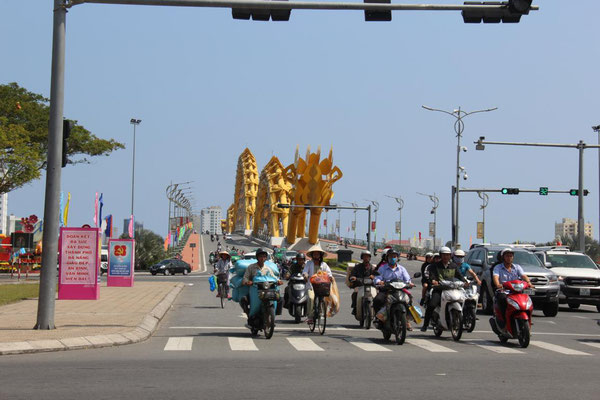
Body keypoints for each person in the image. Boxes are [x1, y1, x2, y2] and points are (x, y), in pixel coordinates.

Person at [421, 246, 466, 332]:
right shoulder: (435, 266)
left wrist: (465, 282)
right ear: (441, 255)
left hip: (452, 289)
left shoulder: (454, 266)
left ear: (450, 256)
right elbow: (431, 275)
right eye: (444, 255)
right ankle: (425, 324)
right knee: (432, 305)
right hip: (439, 289)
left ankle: (462, 322)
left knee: (464, 301)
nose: (446, 257)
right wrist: (433, 281)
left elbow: (459, 276)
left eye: (447, 255)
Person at [373, 248, 414, 329]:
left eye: (394, 256)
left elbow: (407, 279)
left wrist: (410, 283)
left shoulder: (402, 269)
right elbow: (377, 277)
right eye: (391, 256)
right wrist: (379, 281)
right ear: (387, 258)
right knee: (377, 300)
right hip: (386, 290)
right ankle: (379, 319)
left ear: (397, 258)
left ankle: (407, 319)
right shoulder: (382, 268)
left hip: (400, 290)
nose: (392, 258)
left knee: (409, 299)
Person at [492, 248, 533, 328]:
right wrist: (498, 284)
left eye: (511, 256)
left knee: (527, 299)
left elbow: (523, 276)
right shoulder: (498, 267)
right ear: (503, 257)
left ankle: (528, 320)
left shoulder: (517, 267)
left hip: (516, 292)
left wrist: (529, 283)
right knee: (502, 299)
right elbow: (495, 277)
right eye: (507, 256)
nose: (509, 258)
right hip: (504, 291)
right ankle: (503, 321)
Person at [241, 248, 282, 325]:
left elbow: (274, 277)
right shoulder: (251, 267)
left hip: (267, 291)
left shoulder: (268, 268)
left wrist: (278, 281)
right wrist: (247, 282)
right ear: (257, 257)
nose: (262, 258)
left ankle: (273, 315)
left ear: (266, 258)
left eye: (264, 256)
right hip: (255, 290)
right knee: (244, 300)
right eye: (260, 256)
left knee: (280, 299)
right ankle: (249, 315)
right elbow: (245, 278)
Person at [303, 243, 333, 323]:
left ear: (320, 255)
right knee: (311, 298)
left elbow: (329, 273)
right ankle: (310, 316)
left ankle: (321, 310)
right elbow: (305, 271)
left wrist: (330, 277)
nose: (316, 256)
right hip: (311, 286)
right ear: (312, 255)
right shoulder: (309, 263)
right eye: (315, 254)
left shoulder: (324, 265)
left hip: (321, 286)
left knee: (325, 298)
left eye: (318, 254)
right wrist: (305, 275)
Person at [349, 250, 378, 316]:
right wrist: (353, 277)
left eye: (367, 257)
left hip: (370, 286)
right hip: (359, 285)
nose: (366, 258)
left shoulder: (372, 268)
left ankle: (376, 310)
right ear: (362, 258)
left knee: (377, 294)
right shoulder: (357, 267)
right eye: (364, 257)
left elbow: (378, 276)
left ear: (370, 258)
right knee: (355, 294)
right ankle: (355, 307)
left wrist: (374, 276)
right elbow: (351, 276)